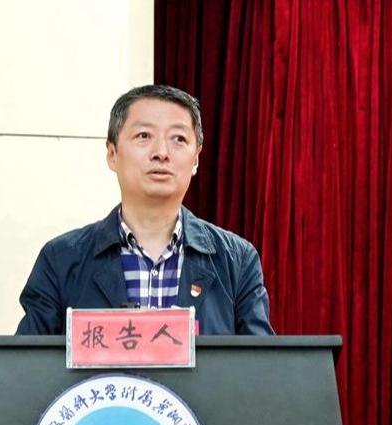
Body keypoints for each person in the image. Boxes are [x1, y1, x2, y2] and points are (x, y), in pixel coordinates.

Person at [16, 85, 273, 335]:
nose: (161, 153)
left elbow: (260, 361)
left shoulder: (236, 261)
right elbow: (27, 361)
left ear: (195, 158)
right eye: (144, 136)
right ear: (112, 153)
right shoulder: (61, 259)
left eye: (179, 139)